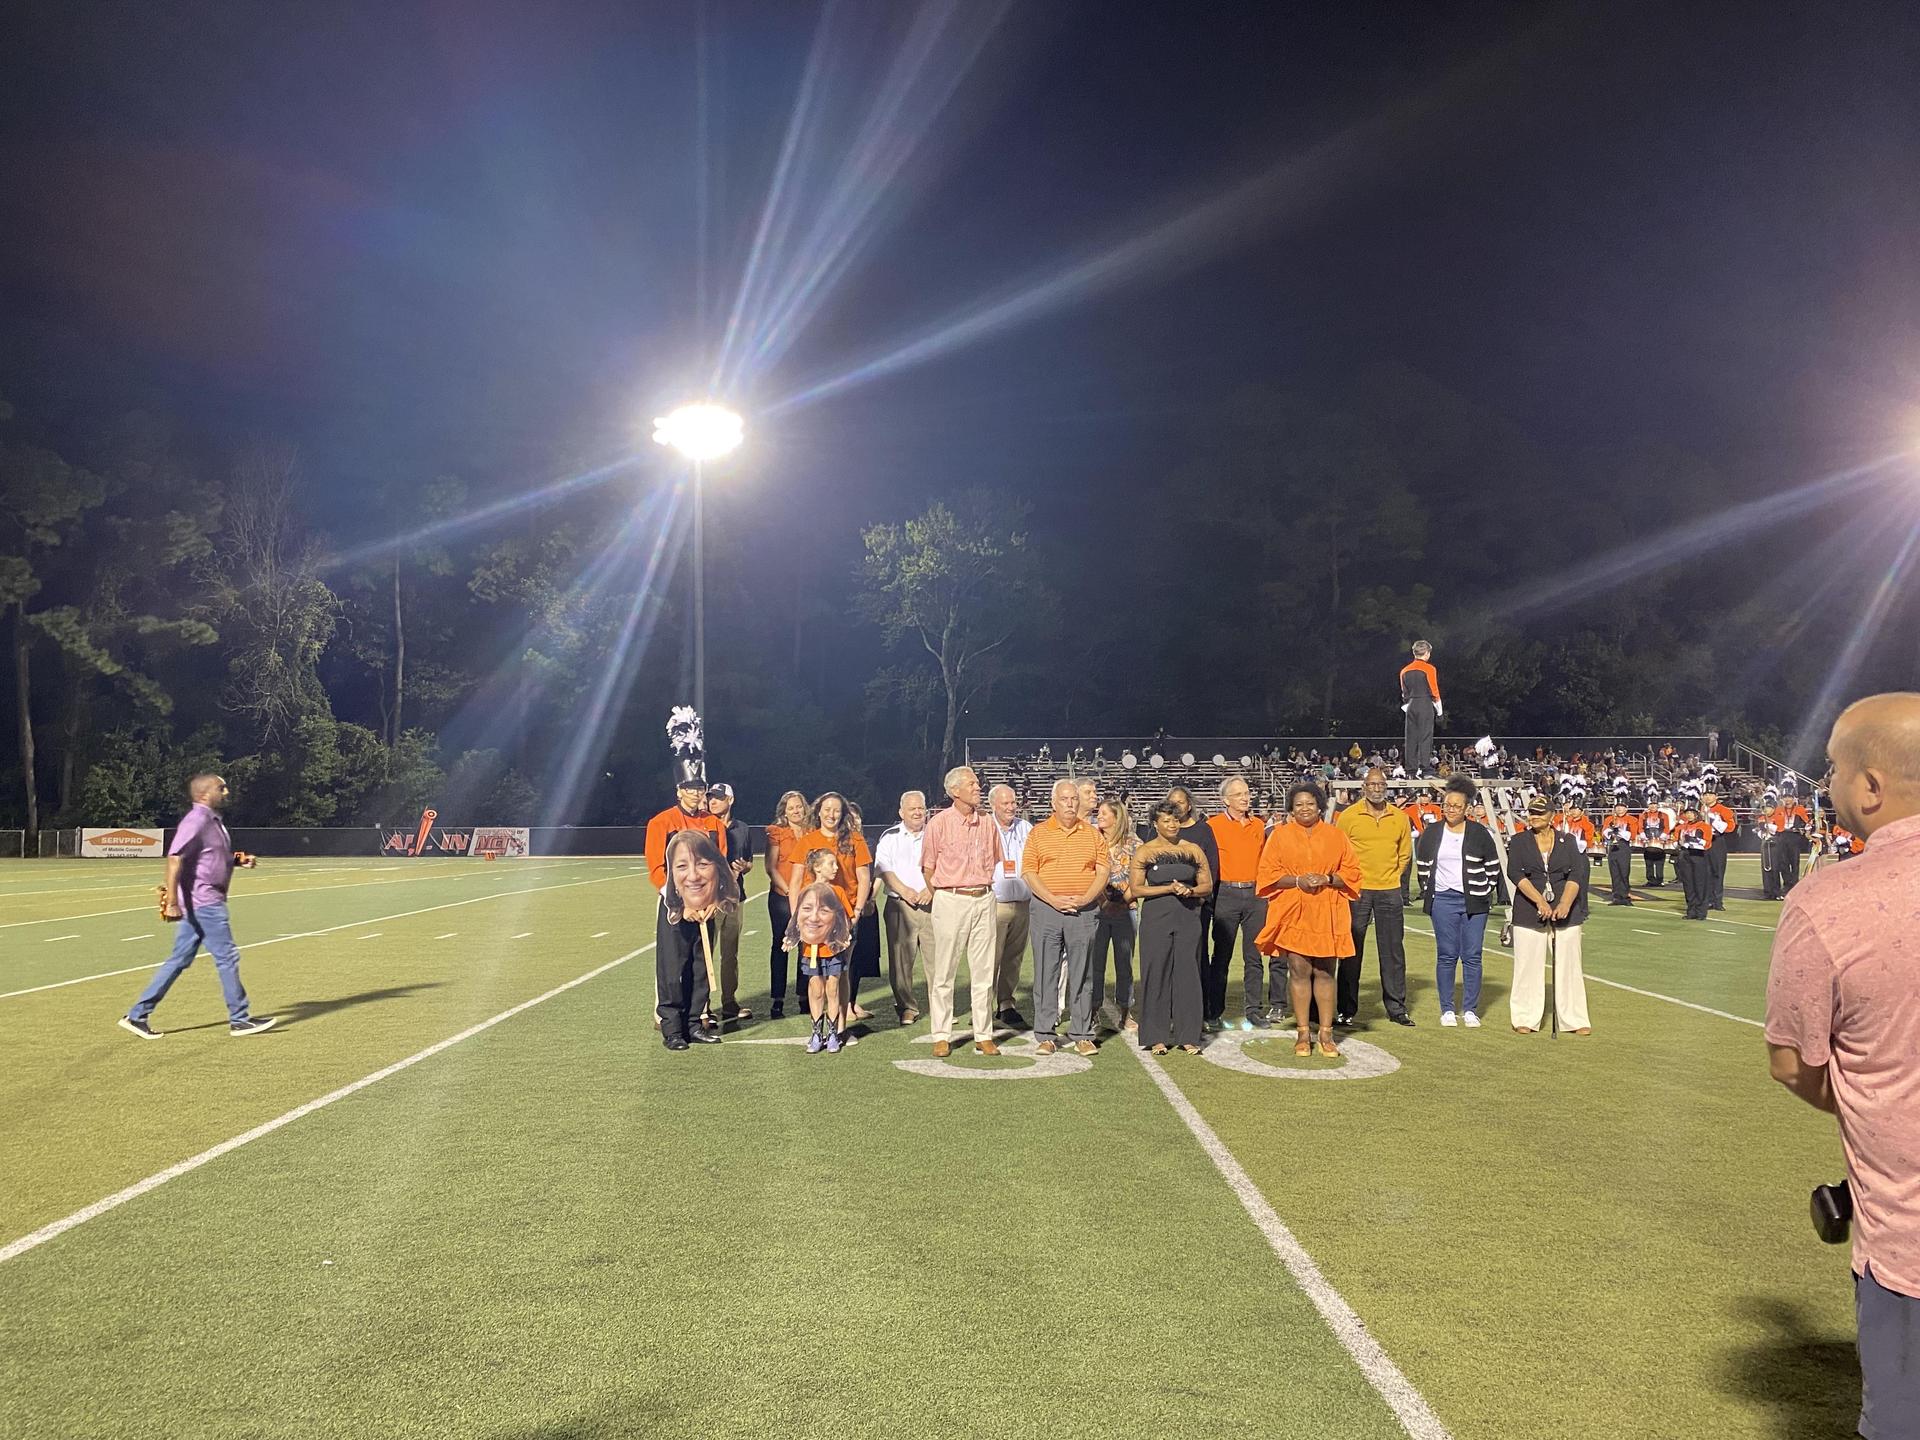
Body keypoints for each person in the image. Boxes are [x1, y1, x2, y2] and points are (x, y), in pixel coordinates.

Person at [1765, 693, 1920, 1439]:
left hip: (1906, 1242)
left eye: (1832, 768)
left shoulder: (1827, 901)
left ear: (1871, 786)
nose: (1827, 784)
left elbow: (1792, 1064)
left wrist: (1873, 1098)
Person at [120, 773, 277, 1039]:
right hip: (204, 902)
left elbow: (209, 856)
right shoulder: (197, 819)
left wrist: (237, 860)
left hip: (203, 901)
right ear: (204, 794)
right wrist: (172, 901)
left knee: (179, 959)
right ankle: (240, 1019)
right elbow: (175, 857)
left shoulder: (212, 821)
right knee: (227, 957)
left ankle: (137, 1016)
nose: (226, 792)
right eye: (221, 788)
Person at [644, 709, 732, 1050]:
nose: (696, 794)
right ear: (679, 789)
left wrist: (710, 902)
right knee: (672, 968)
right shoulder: (661, 822)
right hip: (675, 906)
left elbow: (720, 866)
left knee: (700, 966)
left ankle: (696, 1023)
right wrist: (682, 904)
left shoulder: (714, 824)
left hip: (706, 906)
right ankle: (672, 1029)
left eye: (700, 788)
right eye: (690, 788)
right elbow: (657, 869)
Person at [1255, 781, 1362, 1058]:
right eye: (1299, 804)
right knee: (1299, 970)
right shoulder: (1279, 836)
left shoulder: (1336, 835)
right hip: (1294, 908)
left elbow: (1352, 872)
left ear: (1319, 806)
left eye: (1310, 803)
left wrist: (1327, 878)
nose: (1305, 808)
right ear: (1291, 809)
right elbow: (1267, 874)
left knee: (1325, 972)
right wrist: (1298, 880)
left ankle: (1326, 1033)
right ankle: (1303, 1032)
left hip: (1328, 908)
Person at [1021, 778, 1111, 1058]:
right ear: (1053, 803)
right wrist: (1053, 899)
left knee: (1083, 973)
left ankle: (1082, 1034)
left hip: (1083, 911)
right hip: (1047, 910)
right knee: (1046, 973)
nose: (1070, 804)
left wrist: (1085, 898)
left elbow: (1103, 871)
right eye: (1064, 799)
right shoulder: (1038, 833)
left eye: (1073, 799)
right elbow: (1029, 872)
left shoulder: (1093, 834)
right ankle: (1046, 1034)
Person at [919, 766, 1004, 1058]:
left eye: (977, 783)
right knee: (944, 970)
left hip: (984, 897)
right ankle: (942, 1035)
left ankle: (984, 1034)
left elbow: (995, 860)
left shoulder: (988, 823)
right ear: (955, 791)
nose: (978, 788)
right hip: (950, 898)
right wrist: (944, 895)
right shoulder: (939, 823)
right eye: (972, 784)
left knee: (984, 971)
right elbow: (928, 868)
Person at [1415, 776, 1502, 1028]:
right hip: (1443, 899)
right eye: (1447, 805)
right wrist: (1430, 890)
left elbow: (1493, 866)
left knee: (1472, 955)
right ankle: (1447, 1009)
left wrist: (1483, 890)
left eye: (1456, 806)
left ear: (1467, 808)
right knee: (1447, 955)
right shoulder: (1432, 832)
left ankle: (1470, 1010)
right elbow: (1423, 866)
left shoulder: (1479, 832)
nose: (1451, 809)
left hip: (1474, 901)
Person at [784, 792, 872, 1041]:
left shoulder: (855, 839)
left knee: (840, 973)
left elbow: (864, 877)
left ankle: (840, 1028)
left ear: (843, 814)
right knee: (816, 976)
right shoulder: (808, 840)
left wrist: (856, 911)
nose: (831, 815)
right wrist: (797, 918)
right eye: (827, 809)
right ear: (818, 812)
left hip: (845, 917)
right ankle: (818, 1029)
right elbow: (795, 881)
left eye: (836, 810)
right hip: (814, 921)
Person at [1130, 800, 1214, 1055]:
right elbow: (1136, 889)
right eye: (1166, 820)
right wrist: (1168, 888)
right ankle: (1156, 1036)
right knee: (1156, 972)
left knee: (1188, 973)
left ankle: (1188, 1035)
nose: (1172, 824)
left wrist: (1190, 890)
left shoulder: (1193, 850)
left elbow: (1207, 886)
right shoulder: (1145, 851)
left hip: (1188, 916)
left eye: (1175, 820)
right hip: (1156, 918)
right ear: (1155, 824)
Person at [1335, 767, 1415, 1027]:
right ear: (1364, 787)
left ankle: (1397, 1008)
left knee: (1392, 951)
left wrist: (1391, 876)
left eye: (1381, 784)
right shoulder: (1349, 816)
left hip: (1389, 890)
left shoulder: (1399, 817)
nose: (1377, 788)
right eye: (1372, 784)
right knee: (1351, 950)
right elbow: (1340, 852)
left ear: (1386, 787)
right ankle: (1346, 1009)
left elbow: (1405, 854)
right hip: (1357, 890)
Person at [1506, 795, 1591, 1034]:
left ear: (1552, 815)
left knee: (1569, 966)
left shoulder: (1568, 841)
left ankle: (1574, 1019)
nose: (1534, 817)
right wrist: (1540, 901)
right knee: (1527, 966)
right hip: (1528, 909)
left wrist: (1565, 903)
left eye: (1539, 813)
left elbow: (1576, 874)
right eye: (1531, 812)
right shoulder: (1519, 841)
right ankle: (1525, 1018)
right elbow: (1515, 874)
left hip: (1567, 911)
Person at [1207, 776, 1272, 1029]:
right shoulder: (1213, 825)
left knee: (1254, 956)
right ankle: (1213, 1011)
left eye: (1246, 793)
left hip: (1255, 895)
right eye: (1238, 794)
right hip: (1226, 893)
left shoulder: (1259, 825)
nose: (1245, 798)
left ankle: (1253, 1010)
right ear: (1225, 800)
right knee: (1221, 956)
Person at [873, 790, 933, 1024]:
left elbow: (947, 864)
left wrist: (931, 889)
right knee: (900, 961)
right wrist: (904, 891)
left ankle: (940, 1007)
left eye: (920, 808)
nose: (917, 812)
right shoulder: (890, 837)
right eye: (912, 809)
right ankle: (907, 1006)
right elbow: (883, 869)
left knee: (939, 960)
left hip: (932, 903)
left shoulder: (935, 833)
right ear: (901, 812)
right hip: (900, 905)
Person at [787, 865, 853, 1054]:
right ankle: (816, 1034)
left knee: (832, 989)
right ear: (817, 867)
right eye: (830, 864)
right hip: (812, 951)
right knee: (816, 990)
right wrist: (793, 936)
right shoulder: (807, 891)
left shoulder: (837, 891)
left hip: (833, 950)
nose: (836, 867)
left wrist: (836, 935)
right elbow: (798, 919)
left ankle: (833, 1034)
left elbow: (846, 919)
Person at [705, 782, 754, 1023]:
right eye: (710, 798)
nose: (712, 801)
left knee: (730, 953)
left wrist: (744, 866)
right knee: (706, 953)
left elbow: (749, 861)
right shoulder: (704, 825)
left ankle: (729, 1001)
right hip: (710, 898)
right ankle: (703, 1006)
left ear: (730, 800)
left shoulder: (742, 828)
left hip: (735, 897)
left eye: (718, 797)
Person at [988, 783, 1034, 1030]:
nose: (1011, 807)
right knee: (989, 958)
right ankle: (983, 1007)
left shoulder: (1025, 828)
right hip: (994, 902)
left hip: (1023, 903)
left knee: (1014, 958)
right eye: (1005, 803)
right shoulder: (985, 827)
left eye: (1013, 802)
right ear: (993, 805)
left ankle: (1006, 1003)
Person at [764, 790, 813, 1019]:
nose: (796, 811)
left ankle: (804, 995)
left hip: (807, 896)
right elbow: (771, 867)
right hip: (782, 896)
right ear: (784, 811)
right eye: (791, 807)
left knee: (806, 944)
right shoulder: (777, 832)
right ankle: (778, 999)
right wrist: (788, 891)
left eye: (799, 806)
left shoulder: (812, 832)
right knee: (781, 944)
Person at [1092, 797, 1138, 1031]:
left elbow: (1140, 876)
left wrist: (1124, 900)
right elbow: (1086, 873)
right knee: (1095, 963)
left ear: (1116, 817)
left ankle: (1126, 1011)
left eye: (1104, 813)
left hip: (1126, 910)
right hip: (1097, 909)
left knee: (1124, 963)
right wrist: (1103, 902)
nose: (1099, 816)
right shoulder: (1092, 839)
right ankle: (1093, 1010)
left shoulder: (1134, 843)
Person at [1399, 640, 1442, 778]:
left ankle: (1410, 770)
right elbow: (1434, 690)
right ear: (1427, 653)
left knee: (1410, 737)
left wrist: (1408, 705)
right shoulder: (1429, 668)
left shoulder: (1404, 670)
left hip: (1411, 704)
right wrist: (1439, 711)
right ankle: (1425, 768)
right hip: (1425, 702)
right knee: (1425, 736)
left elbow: (1404, 693)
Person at [1674, 804, 1712, 920]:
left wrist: (1695, 840)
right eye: (1687, 813)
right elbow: (1676, 840)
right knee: (1688, 884)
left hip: (1698, 855)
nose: (1689, 815)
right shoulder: (1682, 827)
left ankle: (1701, 912)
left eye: (1691, 813)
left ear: (1696, 814)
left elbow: (1707, 843)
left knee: (1700, 884)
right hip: (1685, 855)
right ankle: (1691, 911)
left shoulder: (1704, 826)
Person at [1701, 788, 1735, 911]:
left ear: (1716, 796)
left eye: (1710, 794)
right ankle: (1708, 900)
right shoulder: (1700, 809)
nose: (1707, 797)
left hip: (1717, 841)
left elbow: (1731, 827)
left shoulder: (1723, 810)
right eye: (1705, 794)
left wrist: (1716, 822)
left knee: (1718, 872)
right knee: (1705, 872)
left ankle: (1717, 901)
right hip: (1702, 842)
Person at [1601, 800, 1639, 906]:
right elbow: (1604, 831)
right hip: (1612, 847)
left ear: (1626, 809)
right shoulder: (1609, 819)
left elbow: (1633, 834)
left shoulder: (1632, 819)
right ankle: (1616, 897)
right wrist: (1610, 832)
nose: (1619, 809)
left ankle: (1625, 896)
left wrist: (1619, 832)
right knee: (1614, 873)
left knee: (1624, 872)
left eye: (1621, 807)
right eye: (1617, 807)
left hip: (1623, 846)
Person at [1640, 792, 1675, 886]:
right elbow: (1640, 826)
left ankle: (1659, 880)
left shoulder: (1664, 815)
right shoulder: (1643, 815)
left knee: (1660, 862)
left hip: (1660, 840)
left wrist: (1664, 835)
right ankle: (1650, 880)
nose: (1653, 806)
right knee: (1649, 862)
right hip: (1648, 840)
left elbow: (1667, 827)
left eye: (1654, 804)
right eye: (1651, 804)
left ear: (1657, 805)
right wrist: (1642, 834)